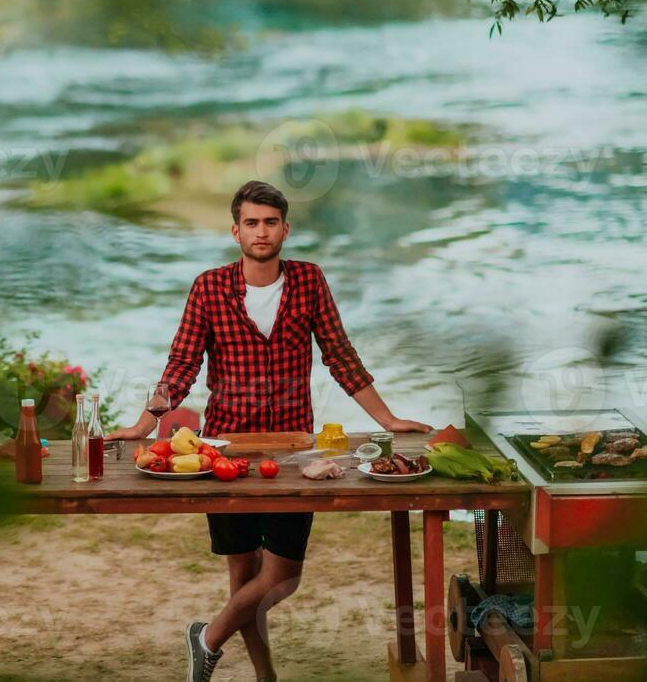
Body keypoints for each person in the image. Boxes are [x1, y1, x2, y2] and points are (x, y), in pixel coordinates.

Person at [106, 180, 432, 682]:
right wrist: (144, 423)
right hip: (225, 451)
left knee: (283, 574)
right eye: (252, 223)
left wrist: (387, 420)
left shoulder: (308, 280)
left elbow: (340, 356)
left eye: (271, 222)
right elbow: (181, 364)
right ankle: (266, 677)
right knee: (242, 573)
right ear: (235, 230)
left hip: (293, 450)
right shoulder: (210, 287)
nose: (262, 231)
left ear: (286, 228)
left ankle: (207, 637)